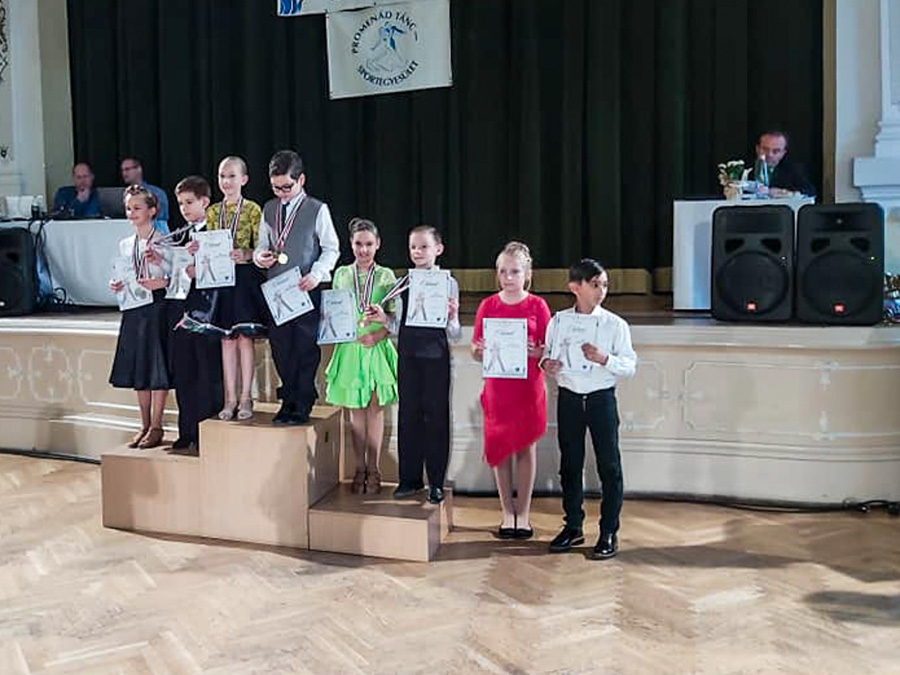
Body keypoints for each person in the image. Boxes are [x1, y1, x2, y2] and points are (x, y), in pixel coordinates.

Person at [541, 259, 637, 560]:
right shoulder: (558, 321)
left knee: (609, 465)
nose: (601, 291)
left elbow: (630, 366)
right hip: (569, 397)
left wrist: (605, 358)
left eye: (604, 285)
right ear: (575, 287)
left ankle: (608, 531)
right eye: (595, 285)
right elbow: (547, 355)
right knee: (570, 465)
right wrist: (547, 364)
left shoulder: (615, 325)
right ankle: (573, 525)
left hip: (600, 398)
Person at [368, 225, 460, 505]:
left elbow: (454, 332)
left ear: (438, 249)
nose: (417, 252)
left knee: (436, 417)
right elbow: (399, 325)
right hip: (407, 355)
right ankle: (409, 479)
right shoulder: (403, 283)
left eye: (423, 247)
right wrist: (385, 320)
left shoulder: (448, 283)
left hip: (436, 357)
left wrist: (452, 317)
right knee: (408, 415)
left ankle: (436, 483)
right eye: (413, 247)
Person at [253, 150, 340, 425]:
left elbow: (331, 248)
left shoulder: (317, 209)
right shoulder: (269, 209)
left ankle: (302, 402)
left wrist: (317, 274)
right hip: (277, 290)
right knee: (281, 348)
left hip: (305, 288)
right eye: (276, 188)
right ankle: (288, 399)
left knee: (304, 348)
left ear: (301, 180)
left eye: (286, 187)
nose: (281, 193)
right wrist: (259, 257)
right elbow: (261, 245)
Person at [471, 242, 551, 539]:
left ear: (527, 273)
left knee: (526, 447)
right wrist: (480, 351)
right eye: (503, 271)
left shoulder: (538, 306)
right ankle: (507, 512)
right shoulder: (488, 305)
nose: (508, 277)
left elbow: (550, 350)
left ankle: (524, 513)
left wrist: (536, 351)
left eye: (514, 271)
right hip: (498, 389)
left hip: (528, 389)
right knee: (501, 449)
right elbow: (475, 349)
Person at [325, 218, 398, 494]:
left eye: (368, 244)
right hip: (351, 349)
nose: (363, 250)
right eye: (358, 244)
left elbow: (395, 317)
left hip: (376, 347)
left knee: (375, 411)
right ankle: (358, 468)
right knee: (355, 411)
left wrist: (377, 335)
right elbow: (334, 310)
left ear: (377, 244)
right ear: (351, 244)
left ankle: (375, 469)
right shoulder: (342, 273)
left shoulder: (386, 276)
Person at [195, 156, 267, 422]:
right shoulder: (213, 212)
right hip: (220, 280)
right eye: (222, 176)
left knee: (244, 338)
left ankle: (246, 397)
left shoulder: (253, 210)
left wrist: (247, 254)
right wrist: (198, 248)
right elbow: (208, 244)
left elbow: (262, 246)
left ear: (243, 179)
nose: (226, 181)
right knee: (226, 339)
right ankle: (230, 398)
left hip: (244, 279)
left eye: (232, 176)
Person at [107, 185, 172, 450]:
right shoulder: (126, 244)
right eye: (128, 208)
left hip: (157, 307)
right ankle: (144, 424)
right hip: (134, 308)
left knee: (157, 365)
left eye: (137, 208)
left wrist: (160, 266)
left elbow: (174, 274)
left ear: (152, 211)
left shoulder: (164, 240)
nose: (132, 213)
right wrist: (116, 284)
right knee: (140, 365)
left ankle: (157, 425)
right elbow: (123, 273)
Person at [165, 175, 223, 455]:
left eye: (189, 202)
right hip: (181, 312)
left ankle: (207, 433)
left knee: (208, 373)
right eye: (180, 203)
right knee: (184, 373)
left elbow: (223, 273)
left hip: (208, 313)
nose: (184, 208)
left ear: (205, 202)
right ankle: (186, 431)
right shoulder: (180, 236)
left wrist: (199, 268)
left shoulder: (217, 233)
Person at [754, 131, 816, 198]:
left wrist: (783, 193)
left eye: (776, 151)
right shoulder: (747, 168)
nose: (770, 155)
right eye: (765, 149)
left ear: (783, 153)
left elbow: (810, 192)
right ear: (757, 149)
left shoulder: (794, 170)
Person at [120, 156, 171, 230]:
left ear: (139, 169)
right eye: (122, 170)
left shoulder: (157, 193)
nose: (124, 173)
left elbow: (161, 219)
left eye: (127, 169)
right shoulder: (124, 194)